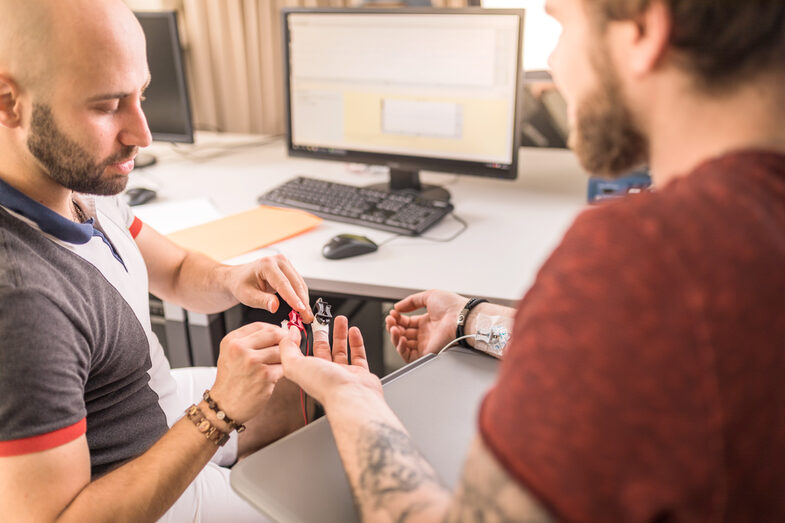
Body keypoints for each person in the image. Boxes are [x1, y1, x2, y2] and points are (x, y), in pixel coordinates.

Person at [280, 0, 785, 521]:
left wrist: (352, 396)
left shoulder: (648, 256)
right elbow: (614, 345)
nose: (556, 63)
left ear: (642, 28)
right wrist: (470, 319)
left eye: (562, 25)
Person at [0, 0, 315, 521]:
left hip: (155, 405)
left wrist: (233, 278)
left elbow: (175, 270)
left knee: (301, 390)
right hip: (133, 489)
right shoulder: (24, 302)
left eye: (140, 94)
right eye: (106, 106)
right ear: (8, 101)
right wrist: (219, 411)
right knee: (341, 497)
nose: (143, 135)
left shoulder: (82, 183)